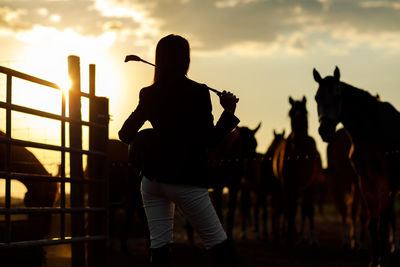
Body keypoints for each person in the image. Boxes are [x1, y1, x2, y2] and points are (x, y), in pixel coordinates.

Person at [119, 34, 239, 266]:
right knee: (220, 247)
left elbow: (125, 134)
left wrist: (151, 138)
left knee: (160, 247)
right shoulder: (199, 92)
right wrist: (229, 111)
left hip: (152, 182)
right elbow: (211, 139)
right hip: (187, 180)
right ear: (186, 60)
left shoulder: (148, 93)